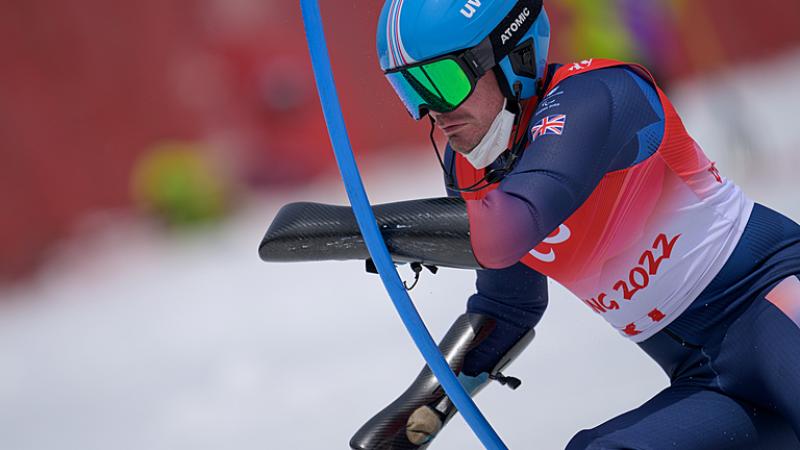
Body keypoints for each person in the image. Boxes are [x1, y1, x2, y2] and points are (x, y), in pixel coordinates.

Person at [347, 0, 800, 448]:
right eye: (411, 89)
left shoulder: (597, 95)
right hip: (707, 379)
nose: (432, 110)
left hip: (773, 304)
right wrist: (419, 411)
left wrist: (349, 229)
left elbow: (509, 228)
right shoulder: (472, 169)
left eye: (442, 81)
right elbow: (508, 308)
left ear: (514, 56)